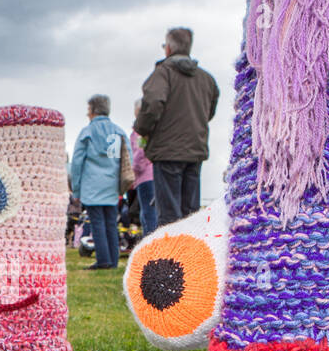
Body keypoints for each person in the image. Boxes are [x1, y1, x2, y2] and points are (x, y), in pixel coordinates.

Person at [134, 27, 219, 223]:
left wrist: (142, 129)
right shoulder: (207, 79)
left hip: (167, 151)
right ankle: (190, 254)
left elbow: (153, 103)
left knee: (169, 215)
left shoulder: (163, 73)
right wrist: (195, 123)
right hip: (194, 150)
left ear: (169, 49)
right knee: (190, 214)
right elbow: (210, 110)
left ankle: (171, 254)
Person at [68, 94, 129, 270]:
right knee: (111, 222)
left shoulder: (87, 132)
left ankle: (103, 260)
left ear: (93, 111)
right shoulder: (118, 131)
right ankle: (114, 260)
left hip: (92, 184)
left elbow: (77, 164)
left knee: (97, 223)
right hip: (112, 184)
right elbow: (127, 158)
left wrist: (76, 189)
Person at [130, 99, 158, 234]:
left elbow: (140, 152)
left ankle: (151, 248)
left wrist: (133, 169)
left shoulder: (141, 130)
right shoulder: (156, 127)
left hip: (145, 176)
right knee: (148, 213)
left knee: (148, 214)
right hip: (155, 173)